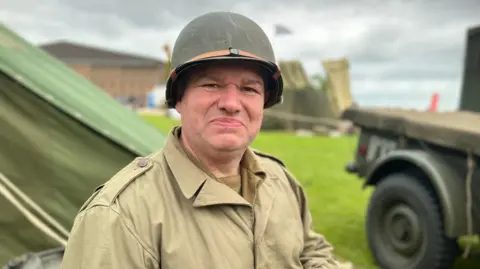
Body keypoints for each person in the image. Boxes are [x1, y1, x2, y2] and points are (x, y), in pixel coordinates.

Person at [61, 11, 345, 269]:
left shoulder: (280, 181)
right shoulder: (121, 215)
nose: (232, 103)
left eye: (249, 88)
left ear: (263, 104)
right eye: (212, 85)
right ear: (179, 99)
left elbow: (311, 251)